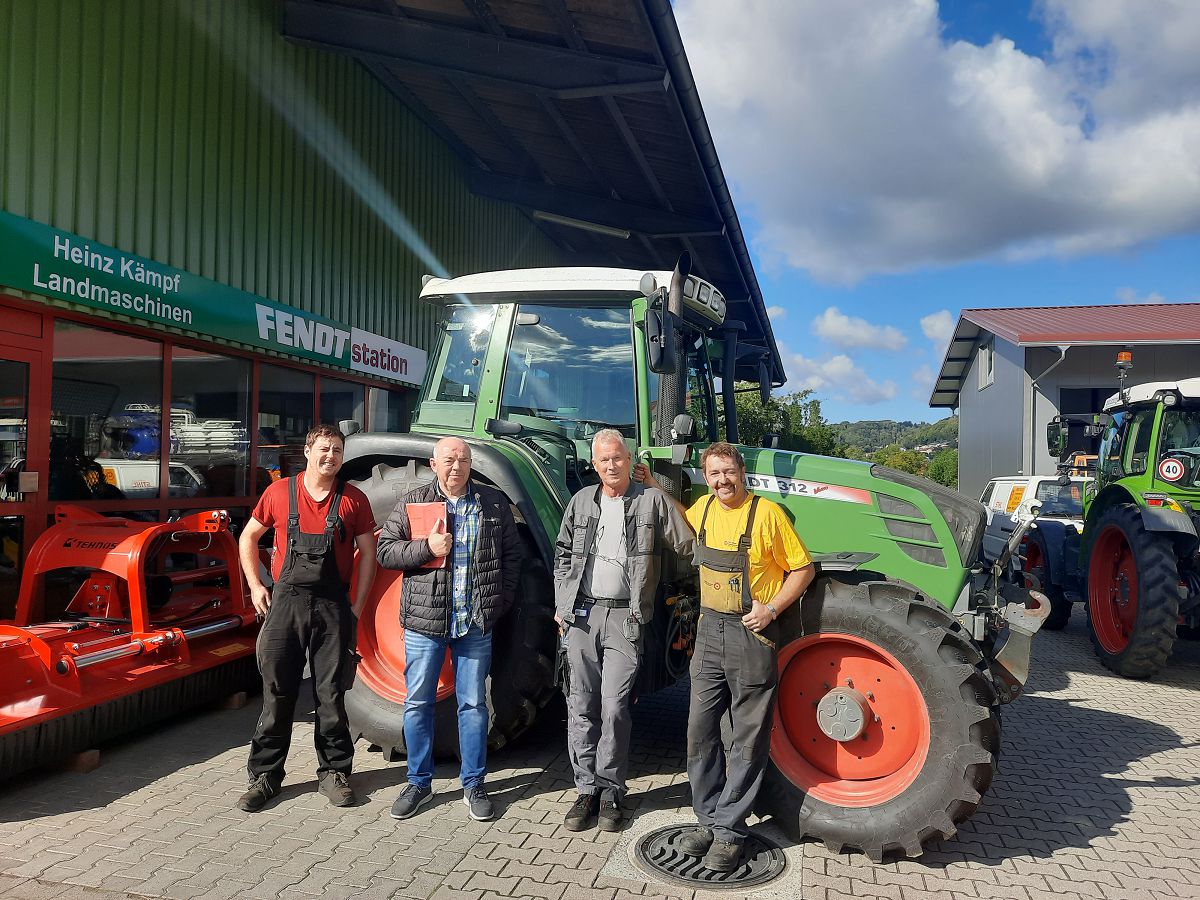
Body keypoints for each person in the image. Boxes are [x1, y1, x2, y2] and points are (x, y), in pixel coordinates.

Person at [659, 441, 813, 872]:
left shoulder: (767, 515)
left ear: (742, 472)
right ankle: (707, 818)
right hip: (709, 630)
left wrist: (772, 608)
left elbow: (803, 568)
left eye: (728, 472)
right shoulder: (704, 509)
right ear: (705, 477)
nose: (722, 480)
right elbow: (678, 519)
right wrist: (652, 483)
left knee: (746, 738)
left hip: (751, 632)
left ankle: (730, 830)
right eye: (714, 473)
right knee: (699, 730)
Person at [553, 430, 694, 833]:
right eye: (603, 461)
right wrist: (562, 604)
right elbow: (563, 553)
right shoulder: (581, 501)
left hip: (626, 618)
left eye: (617, 458)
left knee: (614, 706)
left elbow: (686, 544)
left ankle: (612, 788)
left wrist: (658, 490)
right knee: (580, 704)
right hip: (581, 615)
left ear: (630, 460)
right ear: (593, 465)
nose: (611, 466)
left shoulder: (649, 501)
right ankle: (586, 790)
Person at [377, 437, 522, 822]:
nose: (456, 467)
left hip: (474, 622)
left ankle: (473, 783)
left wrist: (499, 603)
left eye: (462, 460)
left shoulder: (492, 503)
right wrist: (427, 547)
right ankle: (418, 782)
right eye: (448, 460)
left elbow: (511, 557)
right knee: (418, 703)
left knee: (474, 705)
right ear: (433, 463)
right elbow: (385, 551)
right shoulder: (415, 501)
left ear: (471, 463)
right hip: (426, 624)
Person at [236, 424, 377, 812]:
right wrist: (255, 585)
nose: (330, 456)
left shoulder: (354, 500)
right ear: (308, 451)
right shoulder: (279, 493)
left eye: (337, 450)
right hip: (285, 606)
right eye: (324, 449)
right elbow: (248, 537)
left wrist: (357, 605)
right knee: (277, 693)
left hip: (333, 607)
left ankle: (334, 772)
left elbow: (368, 554)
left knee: (330, 695)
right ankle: (265, 776)